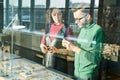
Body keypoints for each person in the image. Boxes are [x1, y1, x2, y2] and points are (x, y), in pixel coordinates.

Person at [51, 3, 105, 80]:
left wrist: (74, 48)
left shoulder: (98, 31)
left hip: (88, 76)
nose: (76, 22)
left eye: (78, 19)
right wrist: (59, 50)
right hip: (76, 74)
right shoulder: (83, 29)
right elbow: (77, 52)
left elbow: (96, 59)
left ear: (88, 16)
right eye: (75, 19)